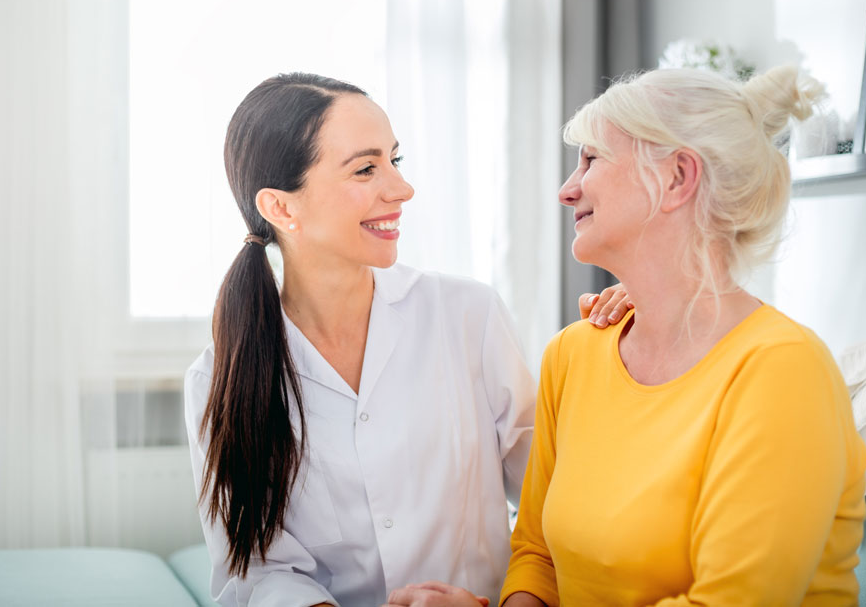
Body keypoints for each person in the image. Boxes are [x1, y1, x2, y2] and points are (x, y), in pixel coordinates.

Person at [184, 73, 628, 607]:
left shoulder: (467, 315)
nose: (401, 189)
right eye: (366, 168)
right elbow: (256, 571)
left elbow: (555, 503)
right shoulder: (219, 378)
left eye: (395, 161)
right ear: (282, 208)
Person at [492, 65, 866, 606]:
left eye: (592, 158)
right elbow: (536, 556)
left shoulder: (783, 370)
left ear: (676, 178)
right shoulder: (572, 354)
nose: (567, 189)